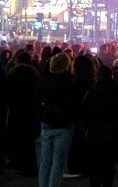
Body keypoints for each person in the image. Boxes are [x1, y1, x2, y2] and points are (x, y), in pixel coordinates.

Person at [82, 60, 118, 187]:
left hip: (95, 133)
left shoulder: (92, 90)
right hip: (113, 133)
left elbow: (84, 111)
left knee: (95, 166)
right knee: (109, 167)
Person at [37, 51, 80, 187]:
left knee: (45, 161)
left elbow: (35, 101)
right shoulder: (70, 82)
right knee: (58, 161)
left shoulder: (44, 80)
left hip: (46, 123)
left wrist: (42, 115)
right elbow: (74, 104)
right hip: (63, 125)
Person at [7, 49, 42, 176]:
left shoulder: (13, 74)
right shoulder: (34, 74)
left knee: (19, 141)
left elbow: (8, 93)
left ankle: (21, 167)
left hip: (17, 112)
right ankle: (31, 168)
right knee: (29, 143)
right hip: (31, 112)